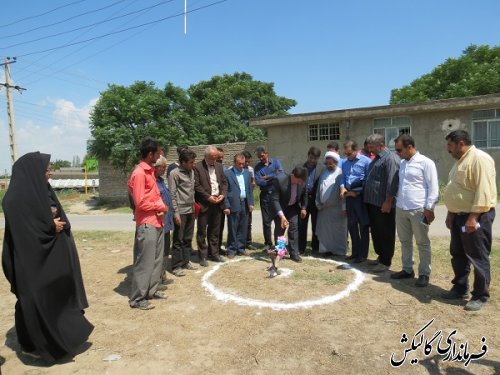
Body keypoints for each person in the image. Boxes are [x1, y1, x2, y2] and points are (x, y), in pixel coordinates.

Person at [2, 152, 94, 362]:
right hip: (32, 262)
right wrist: (49, 225)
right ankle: (33, 345)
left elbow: (56, 214)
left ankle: (61, 341)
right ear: (33, 172)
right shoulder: (15, 199)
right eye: (47, 170)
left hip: (52, 258)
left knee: (57, 298)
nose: (50, 173)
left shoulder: (43, 190)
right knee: (35, 301)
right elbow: (24, 232)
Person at [441, 130, 497, 311]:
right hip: (458, 216)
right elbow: (455, 189)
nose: (448, 149)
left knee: (477, 256)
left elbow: (484, 191)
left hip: (475, 216)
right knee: (458, 254)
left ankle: (480, 296)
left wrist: (473, 217)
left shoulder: (479, 159)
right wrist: (450, 213)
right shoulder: (460, 161)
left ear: (461, 143)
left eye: (450, 145)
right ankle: (459, 287)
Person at [391, 135, 439, 287]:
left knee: (422, 242)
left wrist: (429, 208)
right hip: (401, 207)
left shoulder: (426, 163)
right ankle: (407, 269)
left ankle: (424, 273)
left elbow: (433, 187)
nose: (397, 153)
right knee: (405, 241)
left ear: (409, 147)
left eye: (399, 150)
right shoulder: (403, 163)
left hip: (418, 209)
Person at [128, 138, 168, 310]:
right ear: (150, 154)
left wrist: (160, 209)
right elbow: (140, 202)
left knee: (157, 260)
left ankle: (151, 291)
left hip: (157, 221)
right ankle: (137, 298)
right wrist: (159, 206)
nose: (160, 155)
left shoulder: (150, 172)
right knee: (145, 261)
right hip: (147, 223)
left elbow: (154, 195)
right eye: (158, 152)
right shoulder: (139, 173)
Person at [363, 133, 400, 273]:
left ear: (381, 145)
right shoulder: (376, 158)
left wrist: (388, 201)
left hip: (383, 204)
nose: (370, 149)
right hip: (373, 203)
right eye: (369, 147)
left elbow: (392, 181)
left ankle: (385, 261)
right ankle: (380, 256)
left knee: (386, 232)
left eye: (372, 147)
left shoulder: (390, 159)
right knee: (377, 232)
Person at [194, 145, 228, 266]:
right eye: (212, 158)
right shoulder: (197, 167)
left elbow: (224, 183)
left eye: (216, 158)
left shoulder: (219, 166)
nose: (215, 160)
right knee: (202, 230)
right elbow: (197, 186)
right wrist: (208, 197)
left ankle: (214, 253)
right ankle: (203, 255)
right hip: (204, 203)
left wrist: (222, 195)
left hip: (217, 203)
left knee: (215, 230)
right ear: (206, 156)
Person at [340, 140, 371, 263]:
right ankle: (355, 252)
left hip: (360, 197)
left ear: (356, 150)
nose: (347, 156)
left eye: (349, 153)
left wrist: (357, 193)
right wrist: (342, 187)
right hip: (349, 196)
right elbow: (343, 177)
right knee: (352, 225)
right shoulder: (345, 162)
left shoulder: (366, 161)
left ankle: (362, 255)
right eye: (345, 154)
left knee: (363, 226)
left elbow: (369, 181)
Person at [168, 149, 198, 276]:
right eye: (191, 162)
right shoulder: (174, 174)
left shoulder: (191, 172)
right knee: (178, 239)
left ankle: (186, 261)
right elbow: (172, 195)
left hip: (190, 209)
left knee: (187, 238)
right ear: (183, 162)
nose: (193, 164)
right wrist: (175, 213)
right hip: (180, 211)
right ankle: (176, 266)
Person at [272, 166, 308, 262]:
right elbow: (275, 200)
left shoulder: (302, 181)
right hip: (281, 207)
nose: (300, 183)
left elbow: (305, 194)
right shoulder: (279, 180)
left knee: (294, 228)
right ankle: (280, 253)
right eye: (299, 181)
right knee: (280, 230)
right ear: (293, 176)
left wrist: (304, 208)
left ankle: (294, 253)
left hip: (293, 207)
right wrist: (282, 216)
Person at [315, 152, 348, 257]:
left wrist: (344, 208)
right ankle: (325, 250)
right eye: (327, 163)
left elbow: (343, 193)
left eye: (331, 163)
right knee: (325, 231)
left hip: (337, 208)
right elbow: (319, 189)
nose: (329, 165)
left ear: (336, 162)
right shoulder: (324, 172)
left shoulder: (340, 173)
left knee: (337, 231)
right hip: (324, 209)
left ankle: (339, 251)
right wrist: (318, 202)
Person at [223, 153, 254, 258]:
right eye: (239, 164)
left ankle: (241, 248)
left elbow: (249, 190)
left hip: (244, 204)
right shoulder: (227, 174)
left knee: (243, 227)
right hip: (233, 204)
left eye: (243, 163)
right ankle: (232, 249)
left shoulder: (247, 173)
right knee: (233, 227)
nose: (241, 166)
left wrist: (251, 203)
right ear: (234, 162)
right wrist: (226, 205)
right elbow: (225, 191)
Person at [255, 145, 283, 250]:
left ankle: (278, 243)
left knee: (278, 220)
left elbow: (280, 175)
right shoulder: (257, 167)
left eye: (262, 156)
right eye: (259, 157)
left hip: (277, 195)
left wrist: (267, 177)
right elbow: (259, 182)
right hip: (265, 196)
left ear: (267, 153)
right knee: (266, 221)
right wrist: (273, 176)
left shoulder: (276, 162)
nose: (260, 158)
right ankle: (268, 243)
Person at [298, 146, 325, 255]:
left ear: (318, 158)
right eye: (311, 157)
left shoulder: (322, 168)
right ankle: (301, 248)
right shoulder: (300, 167)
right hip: (302, 200)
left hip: (315, 200)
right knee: (302, 225)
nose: (312, 160)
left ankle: (315, 247)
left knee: (316, 225)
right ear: (308, 155)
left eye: (315, 158)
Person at [154, 155, 175, 285]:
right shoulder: (152, 182)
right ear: (156, 167)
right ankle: (156, 279)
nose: (165, 170)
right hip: (157, 223)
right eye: (163, 167)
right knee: (158, 252)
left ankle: (162, 275)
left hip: (166, 222)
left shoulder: (160, 180)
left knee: (166, 250)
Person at [242, 150, 256, 250]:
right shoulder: (234, 170)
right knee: (239, 222)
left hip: (248, 198)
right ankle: (240, 242)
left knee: (248, 221)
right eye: (245, 162)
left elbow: (253, 183)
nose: (247, 164)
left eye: (248, 162)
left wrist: (253, 185)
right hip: (239, 199)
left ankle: (248, 242)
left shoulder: (250, 170)